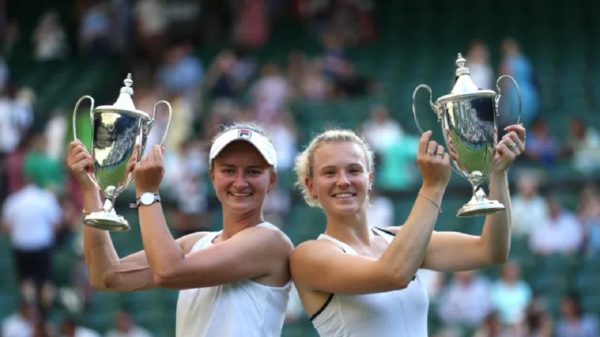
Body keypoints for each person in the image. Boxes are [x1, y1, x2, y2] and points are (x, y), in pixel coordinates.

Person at [291, 124, 526, 337]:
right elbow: (394, 274)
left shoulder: (399, 239)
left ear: (369, 179)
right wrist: (433, 187)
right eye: (329, 173)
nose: (343, 181)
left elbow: (490, 250)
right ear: (311, 186)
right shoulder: (309, 256)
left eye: (354, 170)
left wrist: (498, 173)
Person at [66, 123, 293, 337]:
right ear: (212, 175)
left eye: (253, 172)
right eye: (229, 170)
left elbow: (168, 271)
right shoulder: (196, 243)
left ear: (272, 180)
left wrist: (147, 193)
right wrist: (89, 189)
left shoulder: (271, 241)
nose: (240, 182)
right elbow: (106, 277)